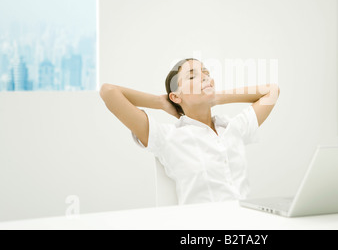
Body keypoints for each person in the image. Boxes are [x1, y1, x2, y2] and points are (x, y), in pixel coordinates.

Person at [100, 58, 280, 205]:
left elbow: (272, 91)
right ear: (176, 96)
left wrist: (216, 97)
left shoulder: (233, 128)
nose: (204, 78)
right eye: (192, 76)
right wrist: (161, 102)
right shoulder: (168, 137)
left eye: (206, 74)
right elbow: (109, 91)